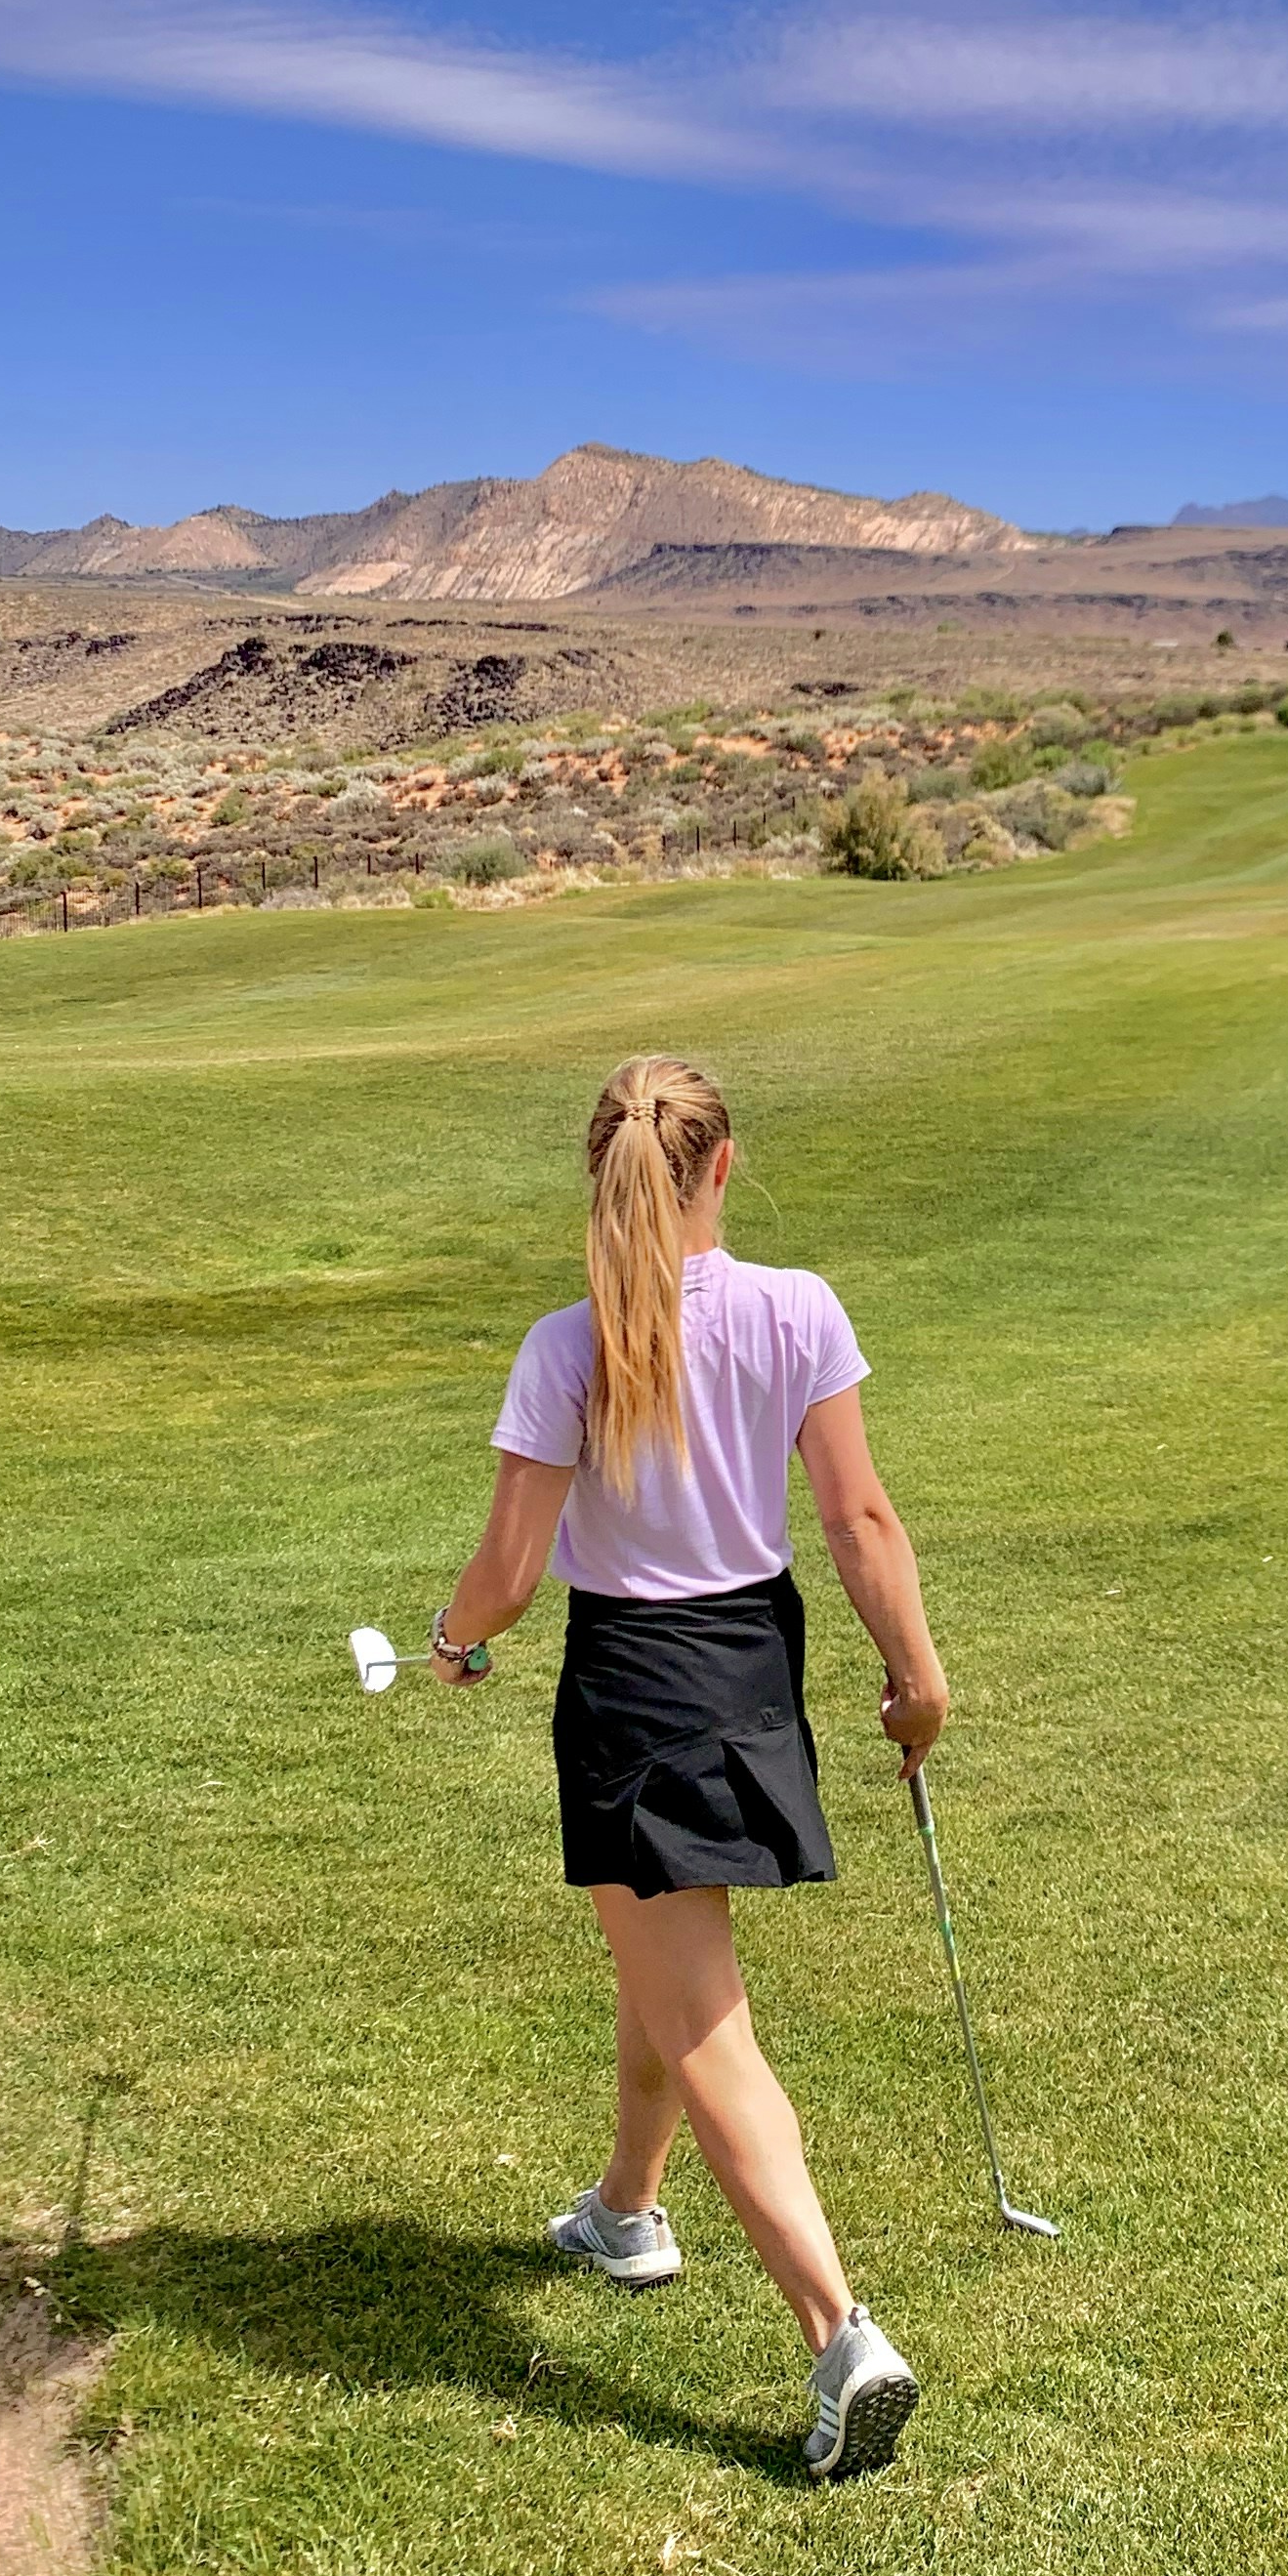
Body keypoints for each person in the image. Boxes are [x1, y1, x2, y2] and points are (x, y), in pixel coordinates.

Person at [427, 1053, 950, 2482]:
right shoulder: (803, 1309)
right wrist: (916, 1681)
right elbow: (861, 1522)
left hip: (634, 1690)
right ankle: (627, 2209)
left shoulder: (564, 1344)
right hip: (750, 1673)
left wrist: (450, 1639)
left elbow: (509, 1578)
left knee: (704, 2014)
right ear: (724, 1165)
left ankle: (842, 2338)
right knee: (664, 1969)